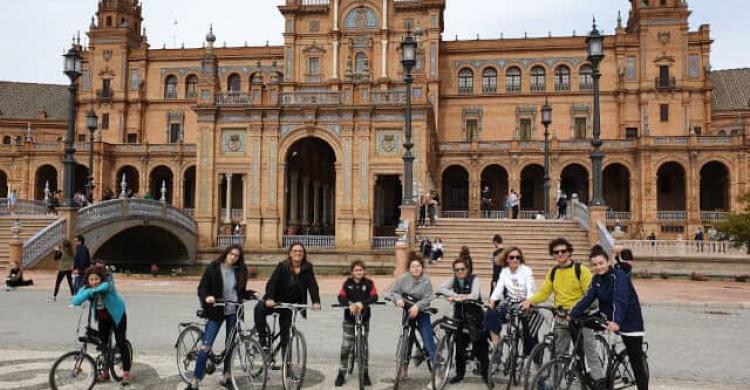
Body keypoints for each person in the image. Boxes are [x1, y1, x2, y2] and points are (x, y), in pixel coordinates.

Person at [521, 238, 605, 385]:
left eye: (563, 251)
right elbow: (544, 292)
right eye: (556, 252)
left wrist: (578, 310)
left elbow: (590, 295)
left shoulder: (581, 270)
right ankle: (555, 385)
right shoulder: (553, 272)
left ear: (569, 252)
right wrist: (530, 301)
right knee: (559, 355)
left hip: (582, 317)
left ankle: (600, 383)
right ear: (553, 255)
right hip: (562, 317)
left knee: (588, 352)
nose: (560, 254)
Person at [571, 245, 648, 390]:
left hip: (629, 320)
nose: (598, 267)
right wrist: (573, 313)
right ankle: (587, 370)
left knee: (635, 361)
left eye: (601, 263)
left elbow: (621, 300)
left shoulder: (619, 276)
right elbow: (588, 298)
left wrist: (617, 321)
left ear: (608, 262)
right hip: (607, 317)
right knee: (577, 322)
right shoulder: (597, 280)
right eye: (594, 265)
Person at [187, 244, 250, 390]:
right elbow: (202, 288)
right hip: (216, 310)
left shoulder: (241, 270)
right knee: (205, 346)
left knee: (230, 346)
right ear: (226, 253)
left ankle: (226, 376)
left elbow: (240, 292)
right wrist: (207, 297)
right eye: (231, 254)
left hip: (233, 310)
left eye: (237, 256)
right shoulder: (214, 267)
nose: (233, 257)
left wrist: (250, 294)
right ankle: (195, 380)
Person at [254, 243, 321, 354]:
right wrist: (270, 298)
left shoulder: (307, 268)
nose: (298, 253)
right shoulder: (282, 266)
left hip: (289, 305)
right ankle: (262, 340)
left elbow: (312, 285)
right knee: (259, 309)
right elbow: (272, 283)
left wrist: (316, 301)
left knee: (286, 336)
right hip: (276, 301)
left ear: (304, 254)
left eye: (300, 251)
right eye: (295, 251)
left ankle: (287, 366)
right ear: (290, 253)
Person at [71, 265, 131, 385]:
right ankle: (105, 373)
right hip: (103, 318)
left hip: (117, 317)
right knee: (103, 345)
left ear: (101, 278)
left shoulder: (108, 285)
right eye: (91, 279)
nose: (94, 282)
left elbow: (103, 287)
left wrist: (92, 291)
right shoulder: (88, 288)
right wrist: (86, 292)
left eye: (96, 279)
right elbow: (75, 300)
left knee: (120, 342)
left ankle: (126, 374)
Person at [438, 258, 488, 384]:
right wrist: (454, 295)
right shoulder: (454, 279)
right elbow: (442, 288)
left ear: (467, 269)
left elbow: (475, 295)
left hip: (474, 316)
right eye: (457, 270)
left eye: (462, 269)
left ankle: (486, 375)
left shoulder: (474, 279)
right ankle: (460, 374)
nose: (460, 271)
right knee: (459, 347)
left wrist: (461, 297)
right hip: (459, 317)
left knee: (480, 346)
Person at [388, 251, 437, 380]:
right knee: (406, 339)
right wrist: (397, 300)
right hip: (408, 312)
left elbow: (428, 298)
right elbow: (394, 292)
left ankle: (438, 370)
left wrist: (417, 306)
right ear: (409, 268)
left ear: (422, 268)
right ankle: (403, 369)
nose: (416, 269)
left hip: (422, 312)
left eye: (418, 266)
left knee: (427, 339)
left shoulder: (426, 280)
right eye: (413, 266)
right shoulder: (403, 278)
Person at [334, 260, 379, 387]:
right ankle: (341, 373)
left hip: (364, 319)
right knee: (346, 346)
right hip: (349, 318)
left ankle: (365, 373)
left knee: (363, 346)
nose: (359, 272)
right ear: (352, 272)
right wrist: (349, 304)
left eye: (361, 270)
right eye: (356, 270)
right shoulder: (347, 283)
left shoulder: (369, 283)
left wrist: (362, 304)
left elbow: (375, 297)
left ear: (364, 271)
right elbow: (340, 297)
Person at [484, 247, 536, 355]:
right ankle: (496, 348)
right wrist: (492, 301)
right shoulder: (504, 271)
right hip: (510, 302)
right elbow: (498, 288)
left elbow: (531, 288)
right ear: (507, 259)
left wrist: (528, 301)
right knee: (490, 315)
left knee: (530, 332)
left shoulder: (526, 270)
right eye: (512, 257)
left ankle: (534, 360)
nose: (515, 260)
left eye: (518, 257)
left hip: (526, 301)